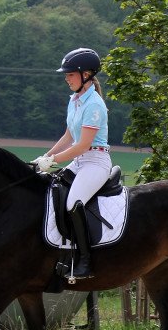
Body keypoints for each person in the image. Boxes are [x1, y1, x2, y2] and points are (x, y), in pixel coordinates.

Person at [33, 47, 111, 279]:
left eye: (70, 74)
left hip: (96, 162)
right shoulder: (75, 100)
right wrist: (43, 158)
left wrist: (54, 160)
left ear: (86, 74)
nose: (66, 78)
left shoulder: (94, 105)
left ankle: (86, 260)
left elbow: (82, 145)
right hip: (79, 161)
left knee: (73, 203)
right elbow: (68, 136)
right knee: (50, 192)